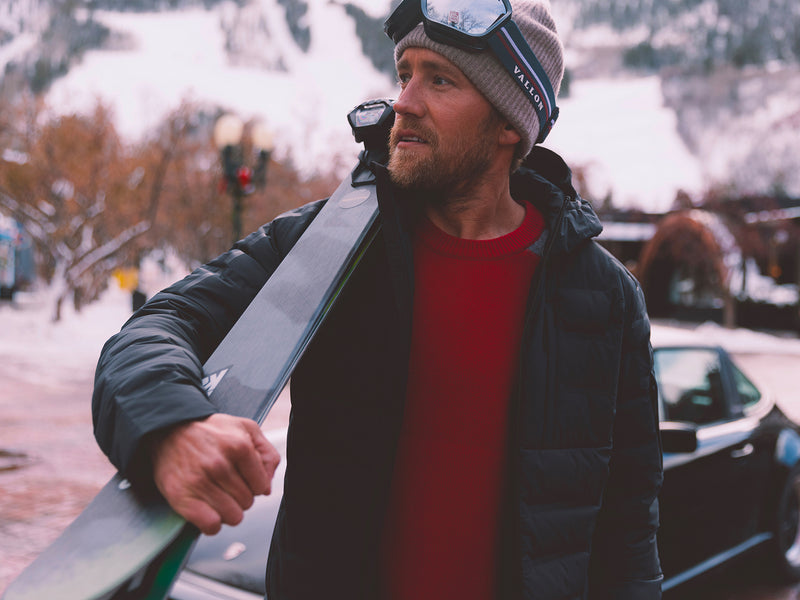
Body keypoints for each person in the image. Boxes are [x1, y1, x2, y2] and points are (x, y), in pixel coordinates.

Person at [92, 0, 664, 598]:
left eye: (440, 80)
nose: (404, 103)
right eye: (404, 74)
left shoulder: (603, 297)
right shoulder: (329, 246)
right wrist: (169, 426)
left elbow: (629, 532)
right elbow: (157, 326)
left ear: (508, 124)